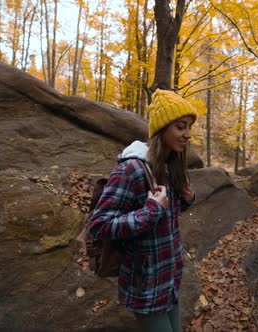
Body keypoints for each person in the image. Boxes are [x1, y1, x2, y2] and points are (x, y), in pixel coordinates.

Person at [88, 89, 198, 332]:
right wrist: (150, 211)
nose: (188, 134)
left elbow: (165, 215)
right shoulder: (130, 170)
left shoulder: (167, 167)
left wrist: (187, 199)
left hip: (168, 280)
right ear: (162, 129)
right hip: (146, 287)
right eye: (181, 127)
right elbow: (100, 225)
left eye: (189, 127)